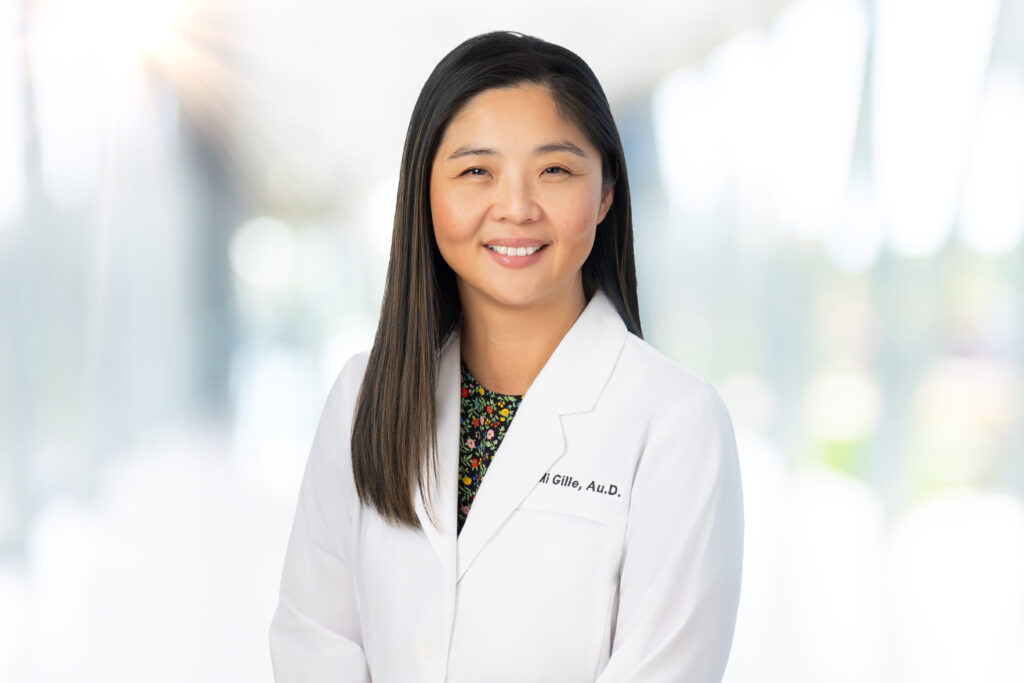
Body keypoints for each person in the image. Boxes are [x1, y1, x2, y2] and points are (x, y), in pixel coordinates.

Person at [269, 30, 744, 682]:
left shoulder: (677, 422)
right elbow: (313, 633)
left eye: (555, 170)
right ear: (424, 193)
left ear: (605, 191)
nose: (515, 208)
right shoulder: (363, 396)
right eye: (475, 172)